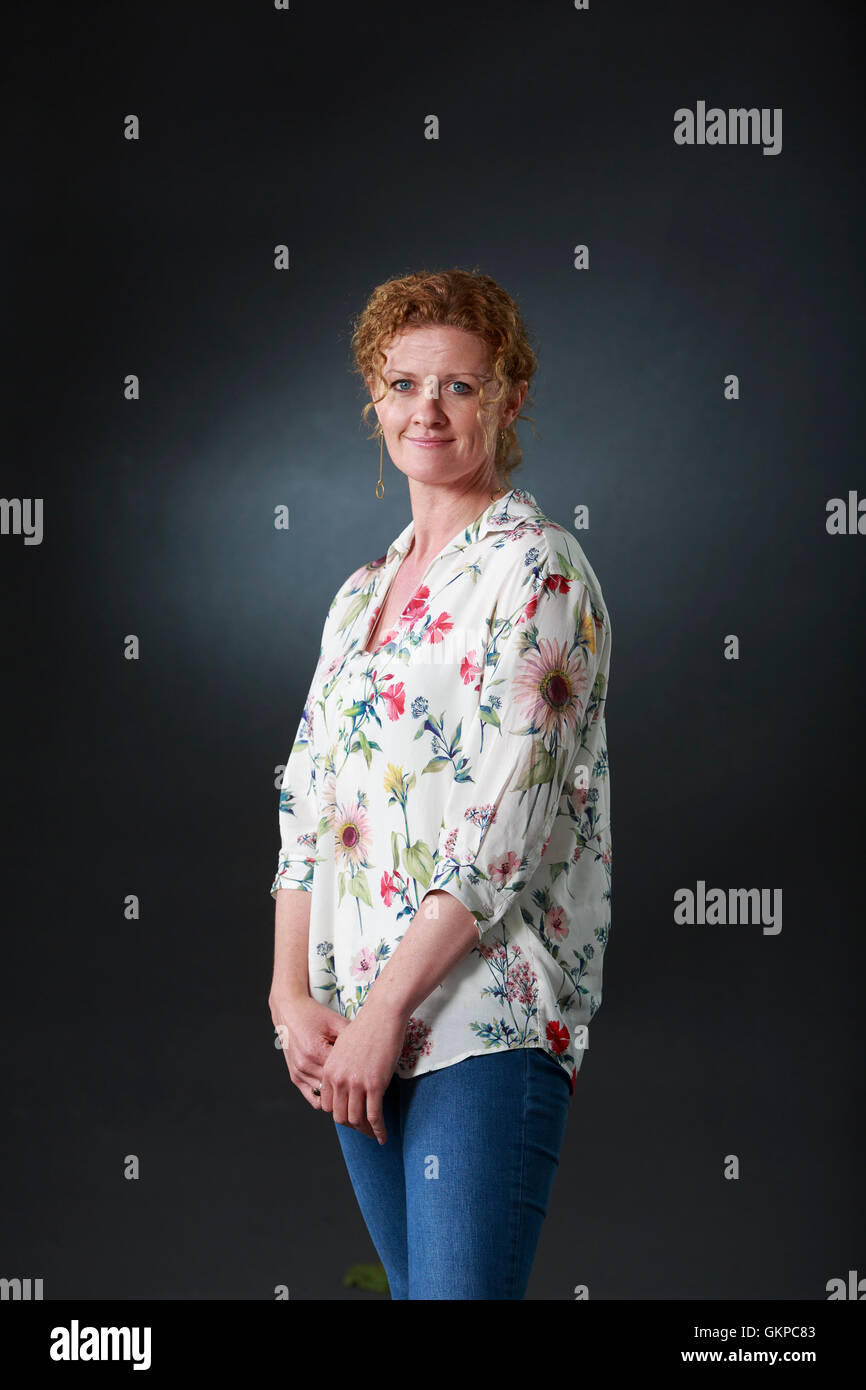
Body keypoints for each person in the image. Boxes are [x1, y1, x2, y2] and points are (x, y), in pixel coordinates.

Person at [268, 267, 612, 1300]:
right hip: (352, 1028)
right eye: (404, 383)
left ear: (506, 400)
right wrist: (291, 995)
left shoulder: (535, 567)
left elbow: (500, 826)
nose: (428, 409)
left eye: (460, 386)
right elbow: (304, 808)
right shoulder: (358, 596)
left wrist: (384, 1012)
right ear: (373, 399)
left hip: (479, 1018)